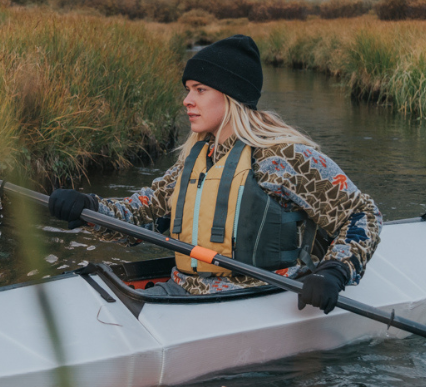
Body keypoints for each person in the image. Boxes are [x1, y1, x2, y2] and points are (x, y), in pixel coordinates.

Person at [48, 34, 381, 310]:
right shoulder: (197, 157)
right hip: (181, 294)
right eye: (188, 89)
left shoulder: (284, 157)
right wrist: (89, 209)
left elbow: (361, 214)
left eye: (199, 89)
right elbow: (137, 217)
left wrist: (335, 272)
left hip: (258, 300)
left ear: (231, 95)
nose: (187, 100)